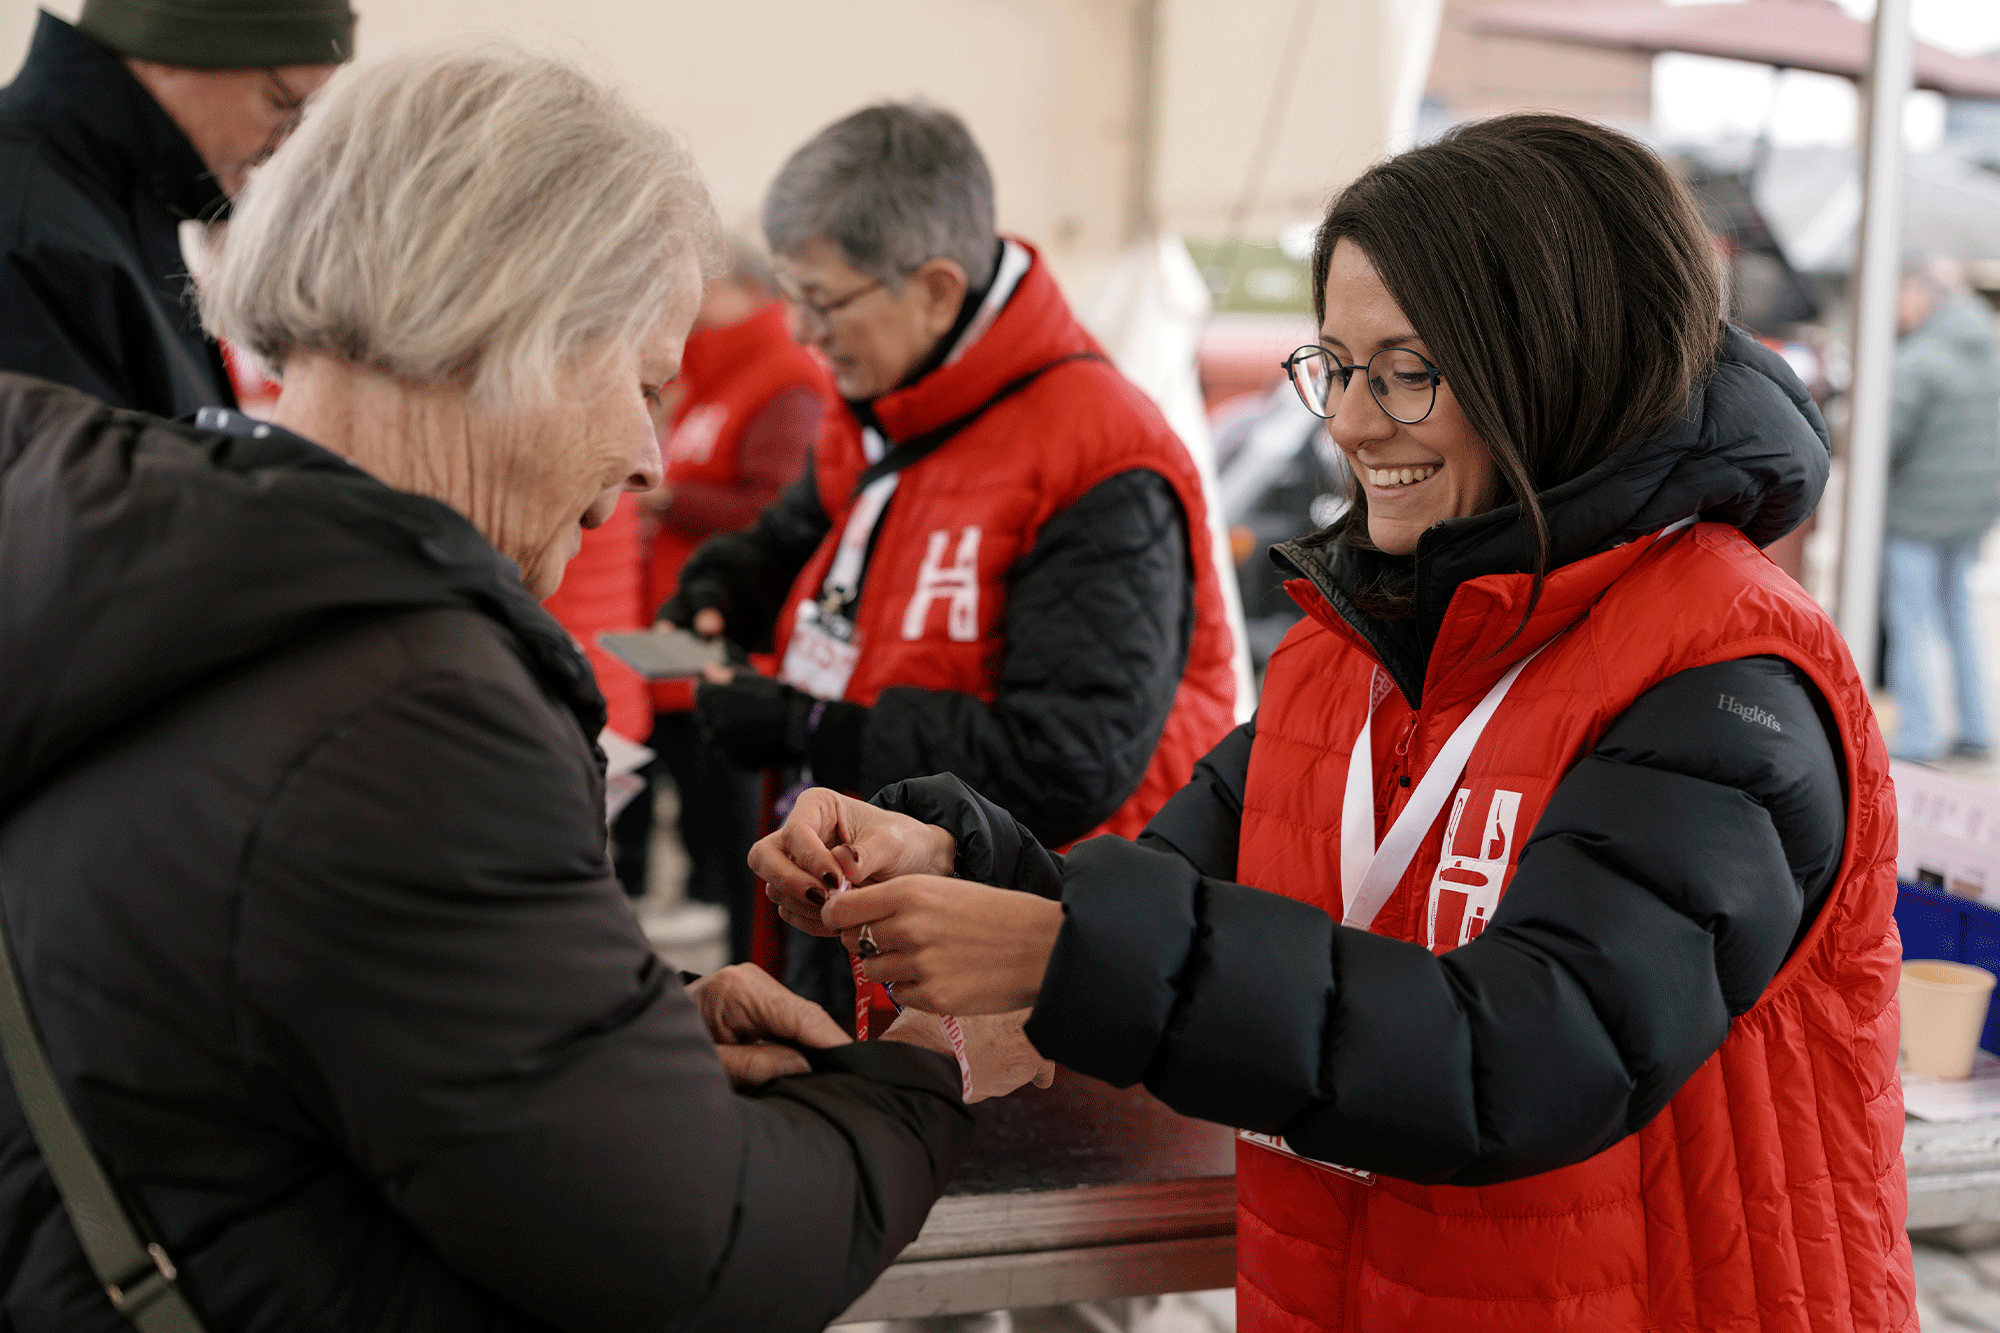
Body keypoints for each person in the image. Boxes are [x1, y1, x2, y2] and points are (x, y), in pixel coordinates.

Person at [756, 114, 1914, 1332]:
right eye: (1333, 366)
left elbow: (1530, 1057)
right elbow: (1166, 900)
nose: (1353, 423)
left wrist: (1063, 953)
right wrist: (961, 861)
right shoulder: (1344, 650)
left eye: (1408, 369)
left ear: (1555, 362)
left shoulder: (1727, 673)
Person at [0, 48, 975, 1332]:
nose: (644, 457)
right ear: (520, 322)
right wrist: (916, 1078)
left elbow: (273, 1031)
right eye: (638, 382)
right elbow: (698, 1251)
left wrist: (622, 1041)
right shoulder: (407, 707)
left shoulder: (163, 568)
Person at [664, 102, 1237, 995]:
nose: (803, 333)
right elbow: (802, 531)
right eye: (792, 297)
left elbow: (1067, 757)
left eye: (823, 301)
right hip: (861, 909)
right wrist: (729, 577)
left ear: (934, 287)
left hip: (1012, 967)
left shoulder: (1100, 455)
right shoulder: (887, 401)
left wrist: (809, 725)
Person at [617, 236, 831, 944]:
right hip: (682, 638)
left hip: (732, 651)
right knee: (713, 833)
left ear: (745, 288)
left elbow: (778, 507)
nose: (692, 305)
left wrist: (672, 503)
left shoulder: (781, 379)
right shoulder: (711, 382)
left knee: (744, 842)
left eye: (706, 287)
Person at [0, 0, 347, 415]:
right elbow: (57, 475)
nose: (286, 145)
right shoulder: (23, 229)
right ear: (168, 53)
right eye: (281, 103)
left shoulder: (112, 207)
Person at [1882, 257, 2000, 762]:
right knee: (1957, 617)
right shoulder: (1987, 351)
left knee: (1911, 620)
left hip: (1917, 513)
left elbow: (1883, 439)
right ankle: (1976, 726)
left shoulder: (1919, 360)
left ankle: (1919, 735)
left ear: (1921, 295)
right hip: (1972, 511)